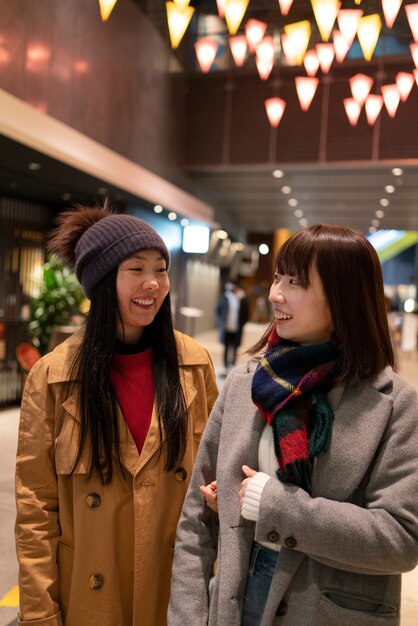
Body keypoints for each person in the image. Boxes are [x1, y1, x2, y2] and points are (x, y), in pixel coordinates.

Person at [168, 224, 418, 626]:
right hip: (234, 602)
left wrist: (279, 508)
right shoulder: (245, 384)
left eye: (295, 282)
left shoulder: (396, 405)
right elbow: (196, 521)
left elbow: (401, 539)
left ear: (344, 298)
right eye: (278, 277)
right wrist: (188, 618)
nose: (274, 293)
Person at [15, 204, 218, 626]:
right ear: (104, 281)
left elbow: (214, 480)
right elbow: (36, 507)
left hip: (174, 591)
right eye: (136, 269)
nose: (153, 284)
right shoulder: (52, 376)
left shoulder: (194, 365)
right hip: (89, 597)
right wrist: (39, 614)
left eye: (161, 269)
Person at [216, 279, 249, 375]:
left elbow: (246, 313)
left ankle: (232, 366)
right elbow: (218, 310)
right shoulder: (226, 297)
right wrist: (220, 323)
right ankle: (226, 367)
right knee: (226, 348)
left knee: (235, 347)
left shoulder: (242, 297)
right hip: (226, 328)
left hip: (237, 328)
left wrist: (242, 324)